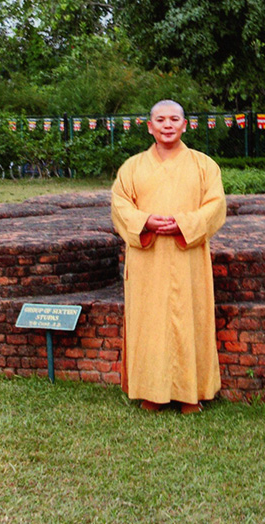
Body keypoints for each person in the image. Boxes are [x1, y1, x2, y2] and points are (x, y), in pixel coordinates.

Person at [110, 100, 226, 414]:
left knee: (191, 320)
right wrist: (144, 221)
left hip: (188, 256)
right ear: (149, 126)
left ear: (185, 125)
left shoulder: (204, 165)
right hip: (148, 259)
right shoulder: (132, 167)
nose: (167, 125)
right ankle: (152, 391)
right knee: (149, 324)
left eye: (174, 119)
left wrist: (185, 224)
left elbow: (215, 206)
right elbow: (120, 206)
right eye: (160, 120)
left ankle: (192, 393)